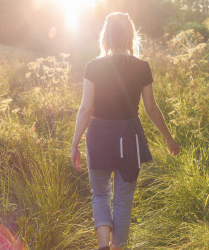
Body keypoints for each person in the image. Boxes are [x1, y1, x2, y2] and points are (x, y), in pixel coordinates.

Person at [70, 12, 180, 250]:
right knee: (122, 201)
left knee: (99, 195)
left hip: (98, 135)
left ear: (105, 37)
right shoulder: (142, 67)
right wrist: (169, 138)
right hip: (130, 137)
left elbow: (86, 108)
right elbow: (151, 108)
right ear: (130, 35)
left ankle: (102, 246)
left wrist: (75, 143)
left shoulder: (93, 66)